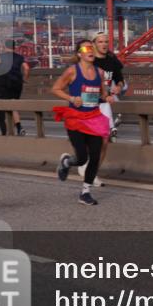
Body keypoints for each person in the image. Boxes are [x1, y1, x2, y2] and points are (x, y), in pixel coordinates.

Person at [51, 39, 109, 206]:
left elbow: (102, 94)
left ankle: (85, 192)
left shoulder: (100, 73)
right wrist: (71, 98)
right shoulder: (72, 71)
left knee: (96, 156)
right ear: (79, 54)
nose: (90, 50)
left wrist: (108, 96)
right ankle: (67, 162)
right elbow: (55, 88)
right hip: (76, 119)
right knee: (82, 158)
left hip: (94, 118)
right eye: (86, 47)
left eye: (92, 47)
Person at [78, 31, 125, 185]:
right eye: (100, 42)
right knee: (91, 140)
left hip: (105, 105)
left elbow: (120, 79)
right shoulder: (89, 60)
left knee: (105, 142)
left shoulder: (112, 60)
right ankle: (84, 163)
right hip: (89, 102)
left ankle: (92, 174)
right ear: (93, 44)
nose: (104, 44)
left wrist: (118, 86)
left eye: (106, 42)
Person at [0, 39, 30, 136]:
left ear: (5, 47)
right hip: (17, 83)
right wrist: (24, 78)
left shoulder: (1, 57)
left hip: (5, 82)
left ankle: (6, 130)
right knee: (13, 105)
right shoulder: (19, 57)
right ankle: (19, 127)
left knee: (2, 105)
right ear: (14, 47)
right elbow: (27, 68)